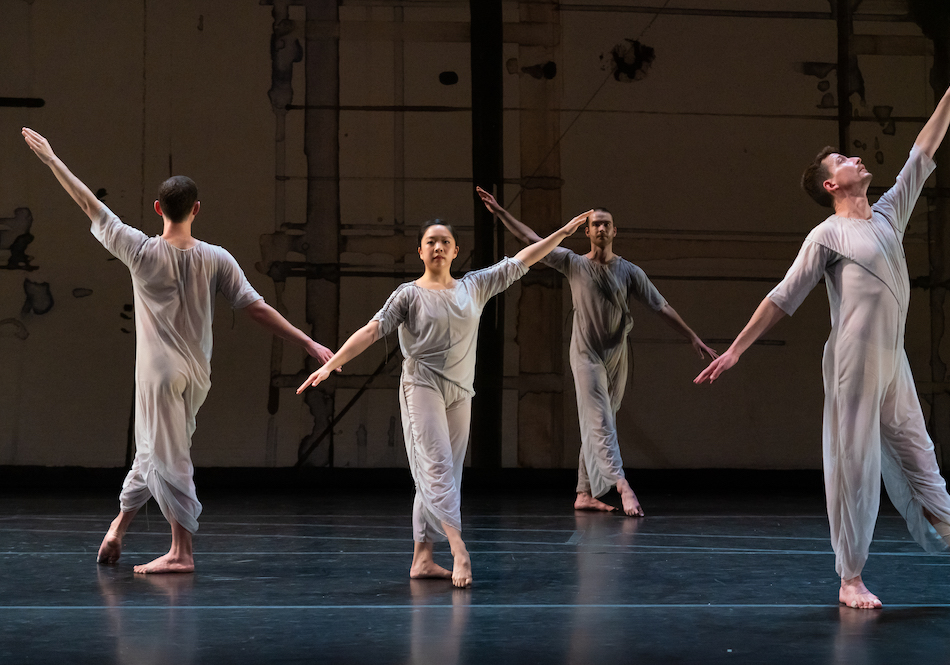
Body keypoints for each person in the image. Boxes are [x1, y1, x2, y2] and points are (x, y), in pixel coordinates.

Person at [695, 50, 950, 608]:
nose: (856, 158)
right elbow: (782, 298)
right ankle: (850, 577)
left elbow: (922, 153)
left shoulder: (887, 215)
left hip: (892, 360)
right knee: (854, 465)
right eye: (843, 160)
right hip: (853, 362)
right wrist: (737, 350)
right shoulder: (826, 236)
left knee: (920, 455)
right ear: (832, 185)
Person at [22, 127, 333, 574]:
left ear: (158, 209)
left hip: (158, 374)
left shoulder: (140, 250)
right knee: (153, 451)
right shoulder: (217, 257)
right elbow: (256, 308)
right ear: (197, 210)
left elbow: (90, 205)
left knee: (171, 456)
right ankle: (118, 528)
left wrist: (52, 159)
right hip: (195, 375)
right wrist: (305, 339)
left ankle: (181, 552)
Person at [298, 209, 594, 587]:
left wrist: (565, 231)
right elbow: (372, 331)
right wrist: (331, 364)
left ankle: (422, 559)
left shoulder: (474, 286)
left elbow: (526, 257)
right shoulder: (408, 294)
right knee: (436, 467)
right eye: (430, 242)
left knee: (442, 474)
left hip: (460, 391)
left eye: (445, 242)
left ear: (456, 251)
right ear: (419, 251)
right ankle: (459, 551)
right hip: (421, 385)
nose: (438, 247)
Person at [476, 188, 716, 517]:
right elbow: (532, 238)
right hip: (585, 355)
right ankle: (621, 485)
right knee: (600, 420)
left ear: (614, 231)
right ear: (586, 231)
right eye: (595, 224)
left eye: (607, 224)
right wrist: (501, 212)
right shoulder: (572, 263)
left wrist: (692, 336)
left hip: (617, 356)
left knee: (600, 422)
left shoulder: (630, 271)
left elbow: (661, 306)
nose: (601, 229)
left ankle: (584, 492)